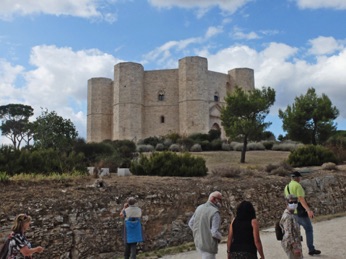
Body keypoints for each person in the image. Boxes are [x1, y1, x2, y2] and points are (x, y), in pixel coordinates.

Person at [284, 171, 321, 256]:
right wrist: (308, 210)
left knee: (296, 232)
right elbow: (301, 199)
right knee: (309, 229)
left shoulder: (287, 187)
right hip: (300, 212)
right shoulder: (298, 186)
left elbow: (287, 199)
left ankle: (296, 251)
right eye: (300, 177)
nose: (300, 179)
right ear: (297, 178)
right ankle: (311, 249)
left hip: (292, 212)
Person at [188, 191, 223, 259]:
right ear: (213, 199)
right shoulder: (215, 212)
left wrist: (199, 232)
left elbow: (191, 223)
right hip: (208, 246)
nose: (220, 202)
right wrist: (221, 237)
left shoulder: (199, 208)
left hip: (199, 244)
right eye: (219, 199)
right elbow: (214, 232)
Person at [280, 194, 303, 259]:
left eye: (295, 202)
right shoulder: (288, 217)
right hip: (291, 245)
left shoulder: (291, 214)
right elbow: (289, 233)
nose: (293, 204)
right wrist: (295, 247)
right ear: (286, 203)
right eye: (291, 202)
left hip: (295, 242)